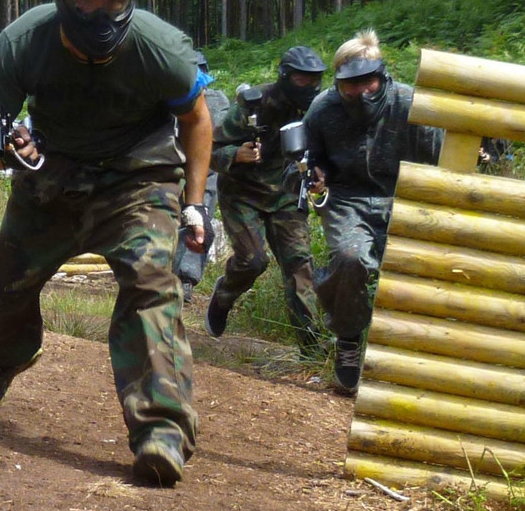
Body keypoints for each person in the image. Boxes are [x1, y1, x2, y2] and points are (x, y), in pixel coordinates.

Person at [0, 0, 213, 487]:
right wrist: (6, 149)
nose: (100, 12)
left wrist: (194, 205)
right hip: (52, 178)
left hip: (138, 180)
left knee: (151, 283)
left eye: (114, 0)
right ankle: (6, 360)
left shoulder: (160, 48)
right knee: (6, 283)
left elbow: (196, 120)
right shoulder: (24, 41)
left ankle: (162, 433)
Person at [300, 29, 441, 393]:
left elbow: (442, 160)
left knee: (421, 269)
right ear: (338, 82)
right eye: (352, 85)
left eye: (369, 82)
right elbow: (308, 161)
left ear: (383, 77)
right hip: (348, 198)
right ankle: (348, 339)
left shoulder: (410, 104)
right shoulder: (322, 110)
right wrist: (315, 174)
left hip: (406, 195)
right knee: (351, 258)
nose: (361, 92)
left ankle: (411, 354)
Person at [204, 46, 326, 359]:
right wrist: (236, 155)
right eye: (301, 79)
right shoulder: (253, 104)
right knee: (253, 261)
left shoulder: (321, 108)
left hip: (286, 193)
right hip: (242, 191)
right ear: (285, 77)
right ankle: (224, 295)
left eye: (314, 80)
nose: (309, 86)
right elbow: (206, 147)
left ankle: (311, 351)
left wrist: (323, 173)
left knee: (300, 266)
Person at [173, 52, 228, 301]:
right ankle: (161, 275)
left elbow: (224, 140)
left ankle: (185, 279)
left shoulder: (217, 101)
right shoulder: (168, 98)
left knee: (198, 223)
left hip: (206, 172)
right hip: (170, 168)